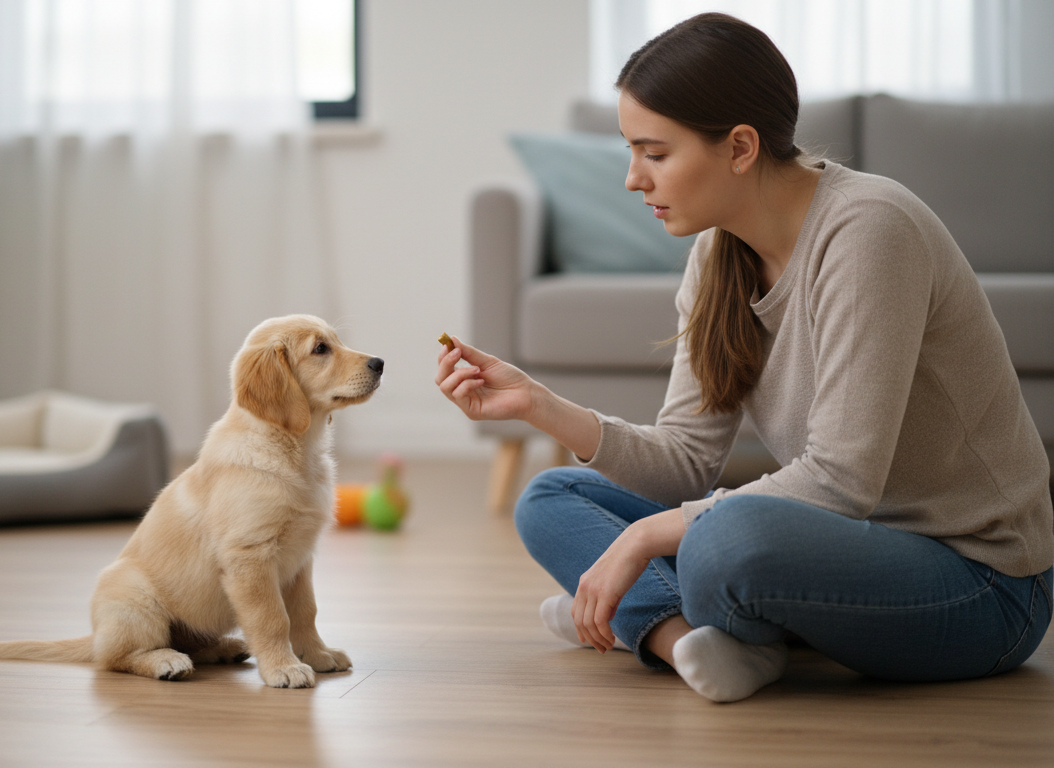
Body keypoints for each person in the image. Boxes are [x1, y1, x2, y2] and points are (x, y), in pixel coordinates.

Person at [435, 12, 1053, 703]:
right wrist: (539, 405)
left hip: (982, 584)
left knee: (723, 542)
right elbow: (685, 461)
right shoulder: (717, 252)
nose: (634, 179)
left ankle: (644, 613)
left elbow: (843, 482)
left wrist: (642, 541)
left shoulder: (871, 230)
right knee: (552, 497)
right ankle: (684, 639)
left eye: (656, 153)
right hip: (828, 547)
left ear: (739, 147)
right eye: (631, 151)